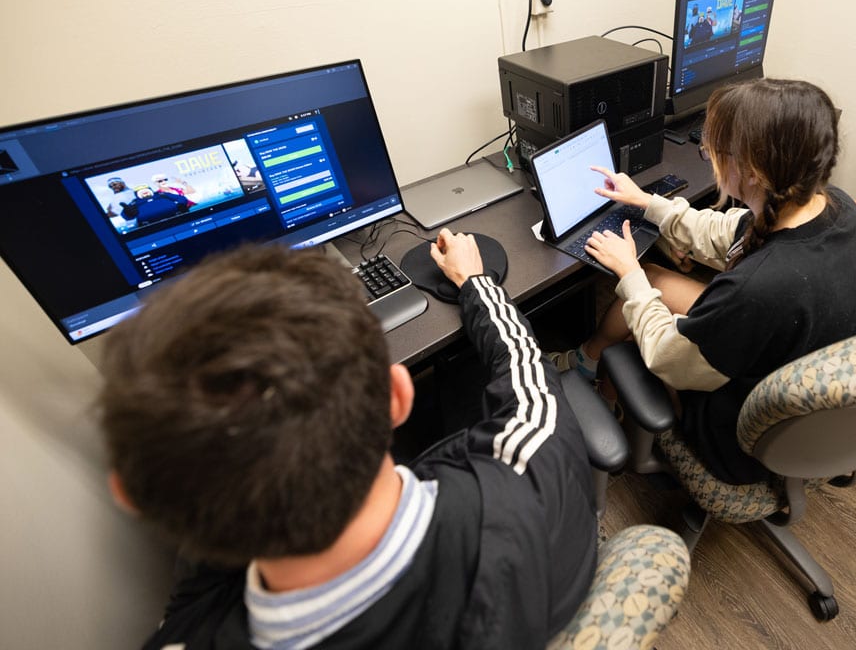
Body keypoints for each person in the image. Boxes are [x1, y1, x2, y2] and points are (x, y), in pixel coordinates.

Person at [98, 237, 597, 649]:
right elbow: (523, 366)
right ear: (397, 395)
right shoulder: (535, 476)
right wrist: (474, 280)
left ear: (134, 498)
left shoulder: (187, 635)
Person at [551, 78, 856, 485]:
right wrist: (647, 203)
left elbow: (670, 358)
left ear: (754, 171)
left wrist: (629, 273)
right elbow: (728, 231)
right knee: (652, 281)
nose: (709, 158)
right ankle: (590, 364)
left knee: (640, 305)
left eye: (714, 150)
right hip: (800, 380)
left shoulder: (760, 289)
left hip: (742, 439)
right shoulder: (835, 206)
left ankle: (599, 394)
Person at [120, 184, 190, 226]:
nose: (145, 193)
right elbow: (126, 216)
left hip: (176, 217)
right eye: (141, 192)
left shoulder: (162, 195)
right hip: (150, 225)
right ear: (137, 195)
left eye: (146, 191)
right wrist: (127, 213)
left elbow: (180, 198)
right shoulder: (134, 202)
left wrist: (180, 204)